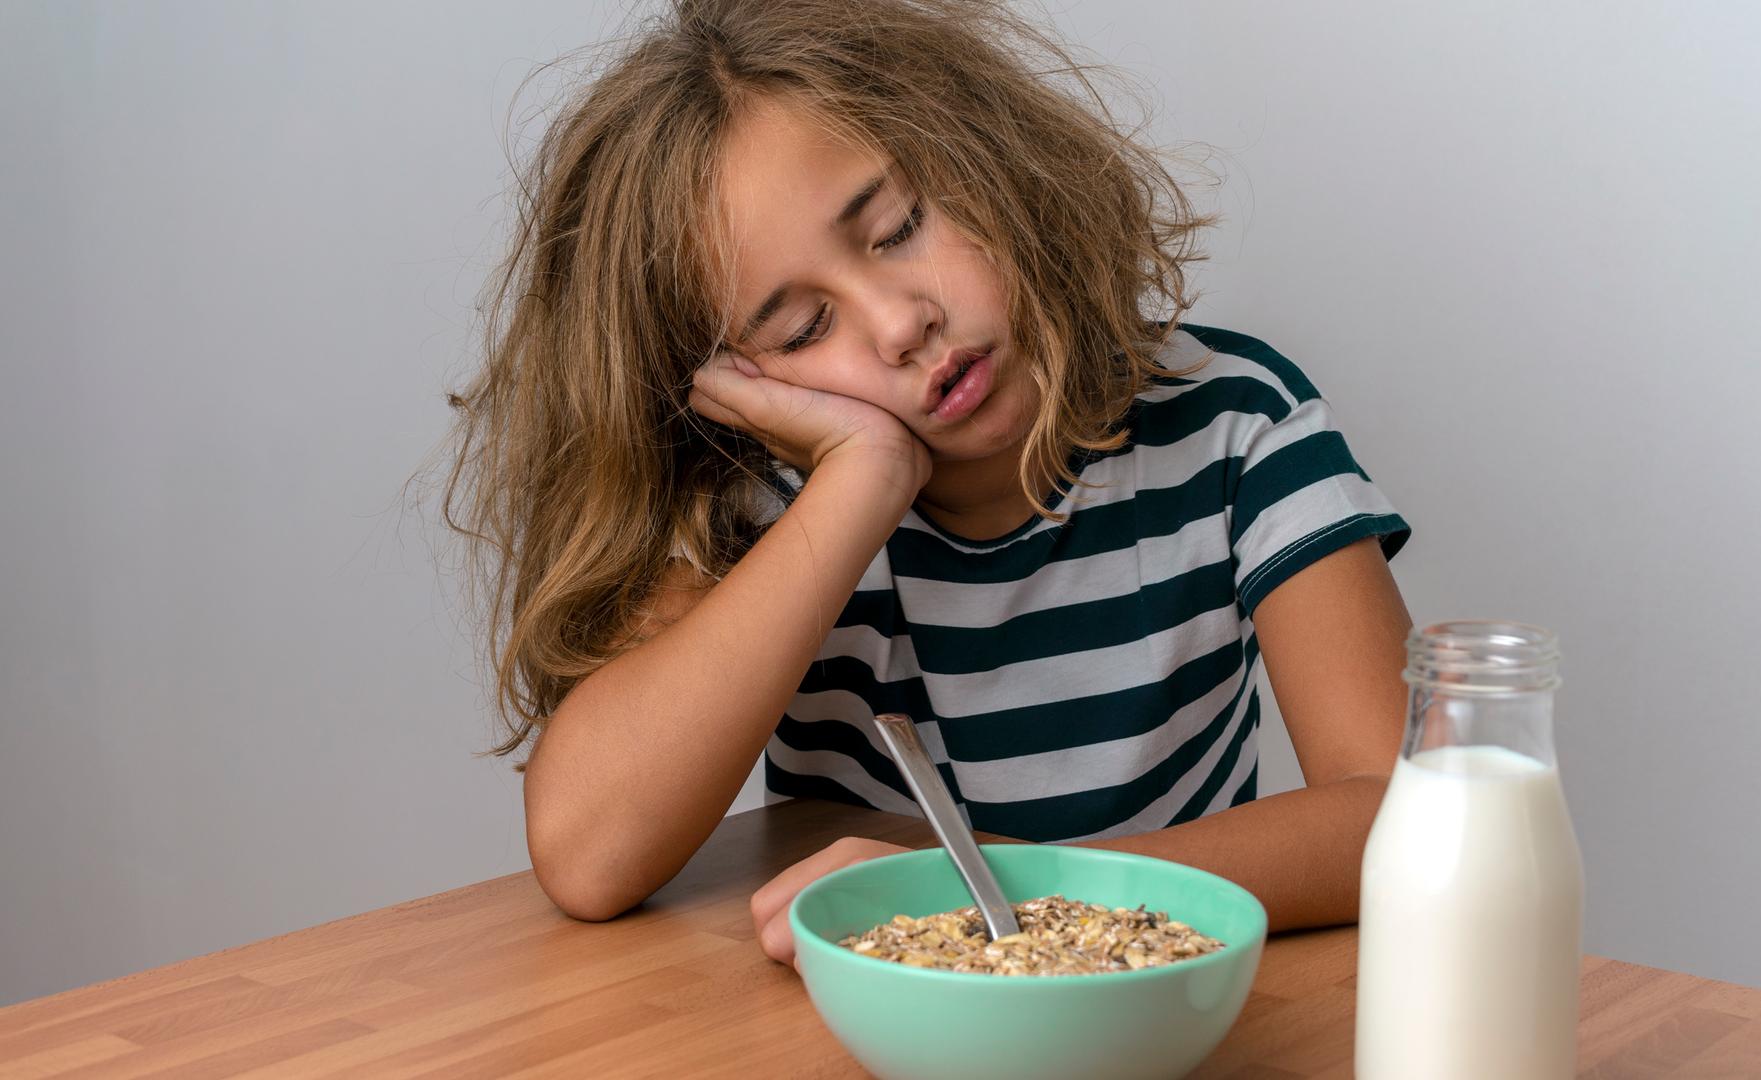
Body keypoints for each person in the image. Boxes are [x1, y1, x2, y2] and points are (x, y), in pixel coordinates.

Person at [439, 0, 1415, 967]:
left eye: (901, 225)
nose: (900, 324)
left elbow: (1403, 817)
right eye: (801, 331)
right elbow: (588, 855)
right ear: (729, 387)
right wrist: (862, 481)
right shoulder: (756, 513)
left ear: (988, 161)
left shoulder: (1235, 423)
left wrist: (1032, 893)